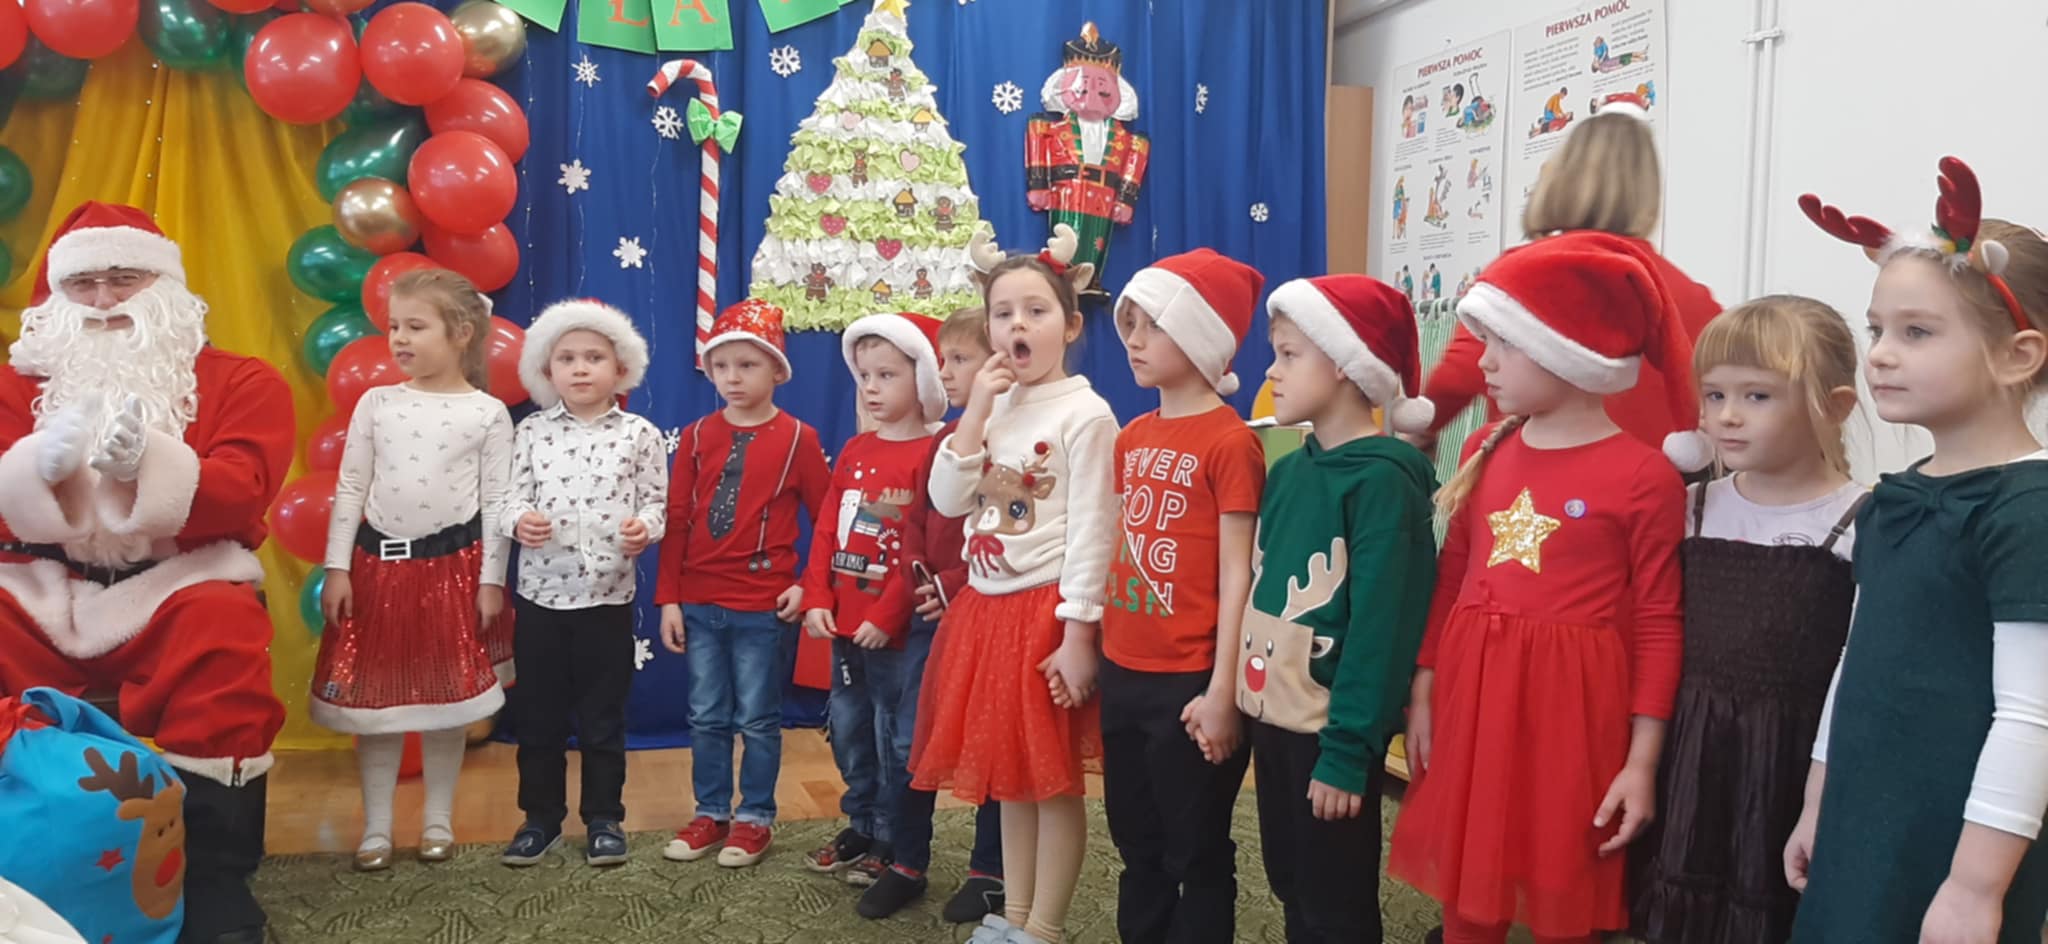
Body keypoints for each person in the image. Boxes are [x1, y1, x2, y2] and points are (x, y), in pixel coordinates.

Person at [1388, 232, 1696, 944]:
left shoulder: (1645, 476)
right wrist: (1425, 687)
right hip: (1474, 697)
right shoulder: (1484, 448)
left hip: (1574, 717)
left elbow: (1659, 620)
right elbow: (1452, 576)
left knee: (1563, 883)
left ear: (1570, 350)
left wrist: (1642, 761)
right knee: (1470, 878)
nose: (1485, 361)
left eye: (1507, 343)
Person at [0, 201, 292, 944]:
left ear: (165, 286)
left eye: (123, 278)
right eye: (83, 283)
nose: (103, 300)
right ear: (56, 296)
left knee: (221, 632)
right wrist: (35, 473)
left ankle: (213, 873)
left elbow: (246, 488)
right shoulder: (10, 388)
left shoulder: (242, 381)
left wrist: (152, 469)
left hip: (178, 577)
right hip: (40, 583)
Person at [1785, 158, 2048, 943]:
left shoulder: (2026, 508)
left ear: (2018, 355)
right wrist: (1819, 797)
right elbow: (1856, 660)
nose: (1879, 355)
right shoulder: (1896, 495)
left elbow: (2032, 717)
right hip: (1864, 815)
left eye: (1917, 333)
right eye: (1877, 330)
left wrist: (1973, 889)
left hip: (1958, 839)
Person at [1628, 297, 1863, 944]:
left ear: (1834, 406)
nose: (1727, 416)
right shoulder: (1689, 507)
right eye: (1714, 395)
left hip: (1788, 761)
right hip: (1689, 749)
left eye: (1757, 396)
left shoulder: (1859, 521)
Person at [911, 224, 1116, 944]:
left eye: (1035, 310)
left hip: (1046, 613)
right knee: (1011, 782)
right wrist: (974, 413)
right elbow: (946, 500)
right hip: (986, 611)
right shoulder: (993, 407)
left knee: (1050, 784)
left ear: (1070, 325)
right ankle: (1016, 915)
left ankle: (1046, 927)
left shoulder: (1086, 414)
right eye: (1003, 313)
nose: (1017, 325)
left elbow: (1095, 531)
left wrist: (1078, 633)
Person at [1246, 274, 1441, 943]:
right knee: (1291, 882)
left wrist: (1347, 754)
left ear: (1344, 363)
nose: (1271, 371)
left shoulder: (1385, 483)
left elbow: (1382, 635)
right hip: (1274, 717)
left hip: (1330, 731)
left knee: (1335, 905)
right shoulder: (1288, 471)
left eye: (1289, 354)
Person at [312, 268, 513, 872]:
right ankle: (376, 828)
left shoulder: (487, 413)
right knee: (377, 706)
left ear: (460, 332)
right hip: (377, 574)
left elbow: (497, 504)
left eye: (415, 326)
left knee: (444, 702)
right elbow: (351, 486)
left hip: (453, 574)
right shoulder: (378, 403)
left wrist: (491, 581)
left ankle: (437, 821)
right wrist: (337, 567)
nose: (399, 337)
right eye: (394, 326)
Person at [1098, 249, 1266, 943]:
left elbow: (1238, 575)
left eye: (1153, 326)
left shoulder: (1231, 442)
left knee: (1193, 848)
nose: (1133, 341)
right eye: (1130, 324)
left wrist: (1223, 691)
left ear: (1198, 337)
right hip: (1122, 671)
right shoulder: (1132, 437)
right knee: (1135, 840)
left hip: (1190, 681)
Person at [1414, 98, 1720, 464]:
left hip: (1533, 484)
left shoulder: (1521, 275)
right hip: (1661, 484)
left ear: (1560, 179)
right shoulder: (1697, 300)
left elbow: (1458, 377)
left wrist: (1417, 433)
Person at [656, 299, 831, 868]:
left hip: (762, 606)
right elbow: (676, 519)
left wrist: (808, 585)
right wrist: (669, 599)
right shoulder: (696, 436)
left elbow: (827, 520)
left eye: (747, 365)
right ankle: (710, 812)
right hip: (700, 602)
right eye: (721, 365)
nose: (732, 377)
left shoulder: (799, 438)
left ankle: (755, 817)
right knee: (706, 715)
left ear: (777, 370)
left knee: (757, 718)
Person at [496, 299, 665, 869]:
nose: (581, 368)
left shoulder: (639, 434)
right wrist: (519, 520)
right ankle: (540, 819)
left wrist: (645, 528)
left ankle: (604, 818)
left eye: (594, 357)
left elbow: (656, 503)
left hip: (607, 599)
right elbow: (508, 499)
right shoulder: (531, 432)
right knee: (538, 717)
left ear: (621, 369)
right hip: (541, 599)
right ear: (548, 370)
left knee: (603, 718)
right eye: (567, 358)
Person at [857, 308, 1010, 924]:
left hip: (992, 613)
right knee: (908, 739)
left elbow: (1013, 535)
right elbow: (917, 523)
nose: (944, 372)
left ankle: (990, 871)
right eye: (943, 359)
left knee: (993, 742)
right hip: (931, 617)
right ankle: (907, 861)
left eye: (960, 360)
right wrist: (925, 580)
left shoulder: (1020, 442)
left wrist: (952, 584)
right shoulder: (945, 444)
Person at [799, 312, 946, 885]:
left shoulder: (934, 454)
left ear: (923, 378)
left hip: (898, 634)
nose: (872, 388)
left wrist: (888, 615)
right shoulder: (856, 449)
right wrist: (816, 594)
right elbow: (827, 530)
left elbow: (925, 549)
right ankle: (861, 822)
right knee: (849, 728)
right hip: (844, 626)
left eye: (887, 375)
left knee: (893, 736)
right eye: (864, 376)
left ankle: (893, 836)